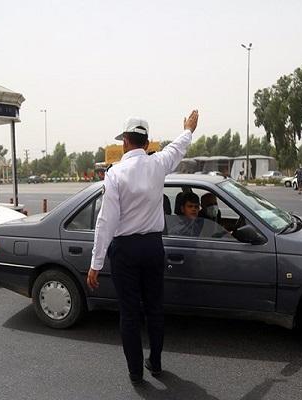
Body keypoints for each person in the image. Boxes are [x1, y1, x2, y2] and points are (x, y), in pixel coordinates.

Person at [87, 110, 199, 384]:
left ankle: (136, 371)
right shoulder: (158, 163)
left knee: (129, 313)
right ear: (147, 144)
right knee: (154, 309)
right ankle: (156, 363)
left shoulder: (114, 175)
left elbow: (106, 221)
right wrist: (188, 129)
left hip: (125, 250)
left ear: (125, 141)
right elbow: (178, 148)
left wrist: (95, 263)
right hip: (152, 247)